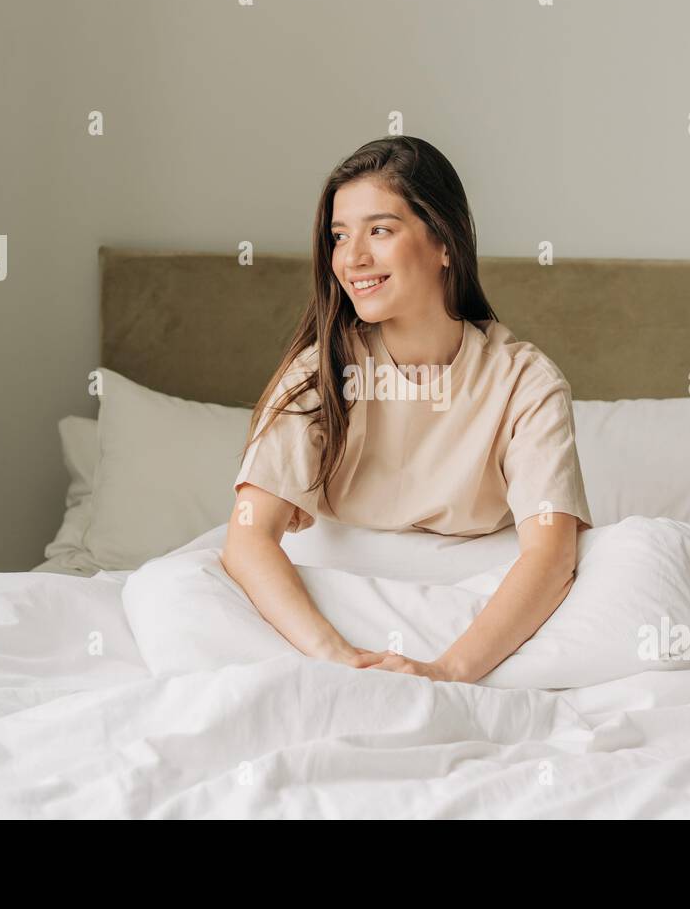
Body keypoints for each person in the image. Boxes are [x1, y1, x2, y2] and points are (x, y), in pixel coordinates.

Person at [220, 136, 592, 684]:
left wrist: (448, 672)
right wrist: (338, 659)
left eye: (380, 230)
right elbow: (249, 537)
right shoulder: (318, 374)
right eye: (339, 236)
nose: (352, 258)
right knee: (168, 587)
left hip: (473, 609)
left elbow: (551, 556)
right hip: (337, 605)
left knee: (642, 552)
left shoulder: (524, 382)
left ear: (445, 243)